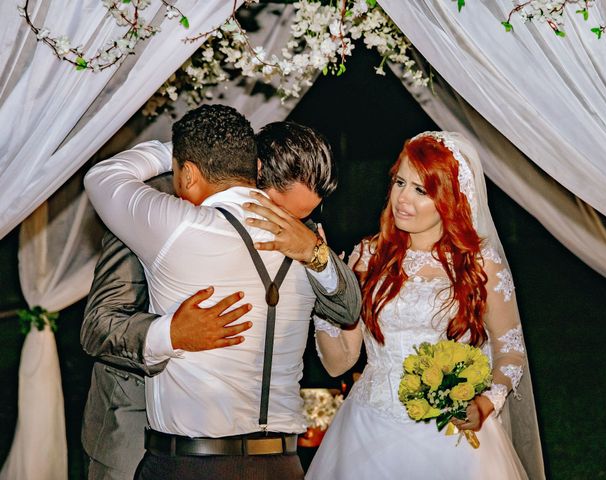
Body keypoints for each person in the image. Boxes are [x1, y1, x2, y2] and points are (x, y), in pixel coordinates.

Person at [82, 106, 361, 480]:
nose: (281, 225)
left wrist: (314, 252)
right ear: (257, 172)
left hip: (235, 454)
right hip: (135, 430)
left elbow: (346, 308)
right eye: (280, 209)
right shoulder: (153, 207)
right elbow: (100, 323)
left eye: (299, 218)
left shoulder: (306, 242)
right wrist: (171, 334)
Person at [306, 132, 545, 479]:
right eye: (400, 182)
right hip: (369, 431)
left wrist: (486, 401)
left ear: (450, 198)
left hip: (451, 438)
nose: (403, 198)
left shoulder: (480, 265)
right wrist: (328, 295)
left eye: (422, 190)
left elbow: (510, 352)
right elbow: (338, 362)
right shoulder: (367, 256)